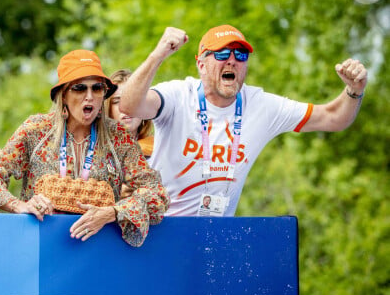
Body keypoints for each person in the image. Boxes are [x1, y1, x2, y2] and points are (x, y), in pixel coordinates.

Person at [120, 25, 367, 217]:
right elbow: (129, 105)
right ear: (201, 64)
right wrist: (159, 53)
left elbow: (334, 118)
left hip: (216, 239)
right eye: (222, 53)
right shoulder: (178, 96)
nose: (232, 60)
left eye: (240, 54)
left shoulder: (261, 105)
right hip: (161, 229)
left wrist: (354, 90)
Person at [0, 50, 169, 247]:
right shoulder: (36, 130)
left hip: (99, 248)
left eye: (97, 88)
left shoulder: (118, 137)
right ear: (63, 94)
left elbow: (156, 194)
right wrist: (19, 205)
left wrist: (113, 212)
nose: (89, 96)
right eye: (80, 88)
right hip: (39, 248)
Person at [106, 69, 154, 158]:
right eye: (117, 101)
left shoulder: (158, 149)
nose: (126, 107)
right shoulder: (92, 149)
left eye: (133, 100)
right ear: (108, 109)